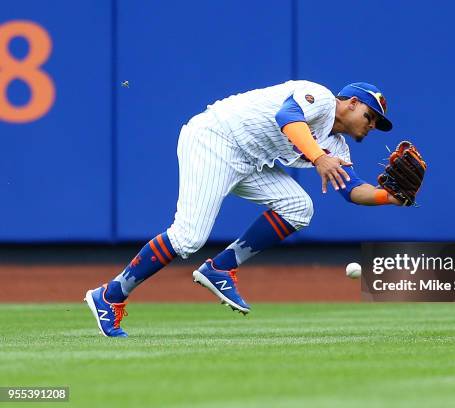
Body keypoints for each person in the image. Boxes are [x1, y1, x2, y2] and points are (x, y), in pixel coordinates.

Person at [84, 80, 402, 337]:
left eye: (376, 122)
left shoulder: (336, 147)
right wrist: (318, 158)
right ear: (351, 103)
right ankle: (110, 295)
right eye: (370, 116)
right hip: (215, 138)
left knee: (298, 208)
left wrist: (390, 197)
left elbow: (353, 190)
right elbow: (288, 118)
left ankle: (221, 268)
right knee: (187, 238)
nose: (372, 125)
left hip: (250, 161)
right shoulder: (318, 96)